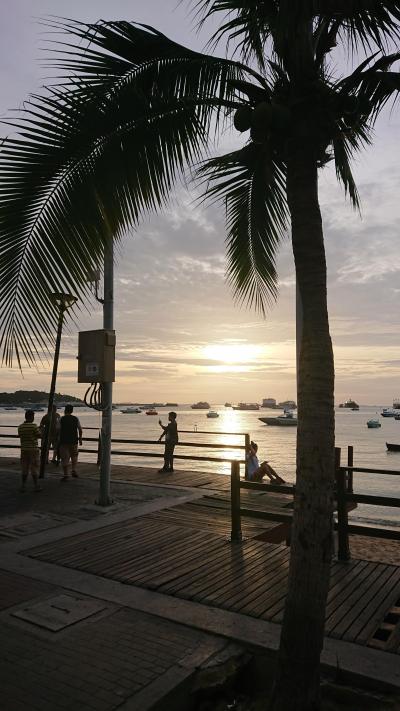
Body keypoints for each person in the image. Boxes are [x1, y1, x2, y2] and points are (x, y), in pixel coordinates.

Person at [17, 410, 43, 493]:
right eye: (33, 416)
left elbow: (21, 436)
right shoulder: (34, 426)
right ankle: (36, 486)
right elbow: (39, 435)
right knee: (34, 467)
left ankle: (23, 486)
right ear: (31, 417)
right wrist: (41, 429)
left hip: (24, 449)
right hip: (33, 450)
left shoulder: (20, 427)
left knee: (24, 468)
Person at [59, 405, 83, 481]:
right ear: (72, 411)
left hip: (64, 441)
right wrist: (80, 438)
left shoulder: (61, 419)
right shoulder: (76, 419)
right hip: (74, 441)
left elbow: (57, 429)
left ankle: (66, 474)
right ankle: (73, 470)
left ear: (65, 410)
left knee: (65, 458)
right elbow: (80, 429)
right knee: (74, 456)